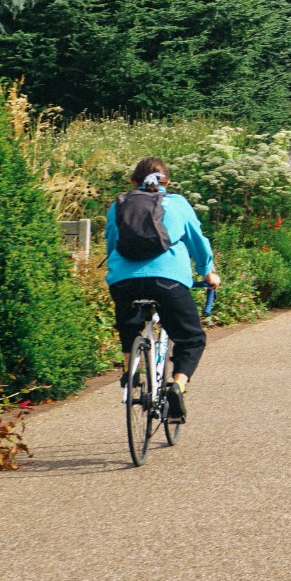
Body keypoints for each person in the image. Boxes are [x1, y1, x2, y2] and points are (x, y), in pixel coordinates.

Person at [106, 157, 218, 421]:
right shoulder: (177, 203)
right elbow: (197, 242)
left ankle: (130, 368)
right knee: (191, 338)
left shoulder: (119, 204)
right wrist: (208, 273)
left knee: (128, 328)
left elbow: (112, 240)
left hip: (124, 280)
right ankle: (177, 386)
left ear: (133, 182)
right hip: (169, 281)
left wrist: (117, 270)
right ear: (168, 183)